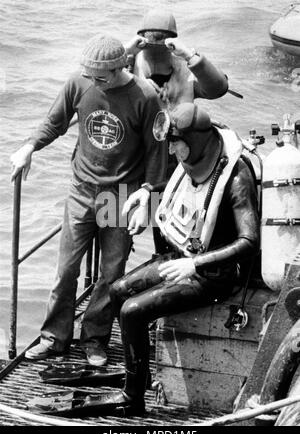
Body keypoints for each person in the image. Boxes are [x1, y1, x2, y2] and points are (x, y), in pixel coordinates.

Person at [86, 100, 260, 416]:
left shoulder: (236, 177)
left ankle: (132, 399)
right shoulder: (196, 157)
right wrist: (146, 192)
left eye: (175, 144)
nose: (170, 152)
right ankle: (137, 372)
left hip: (216, 275)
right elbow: (178, 185)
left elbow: (249, 241)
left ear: (193, 141)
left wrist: (195, 264)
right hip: (182, 258)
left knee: (132, 311)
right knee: (117, 290)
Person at [10, 34, 167, 366]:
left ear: (120, 67)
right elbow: (54, 122)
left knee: (111, 274)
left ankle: (94, 339)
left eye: (101, 78)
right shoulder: (78, 83)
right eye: (90, 76)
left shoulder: (146, 96)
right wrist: (29, 147)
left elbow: (157, 151)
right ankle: (54, 337)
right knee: (65, 271)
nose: (94, 82)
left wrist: (148, 192)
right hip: (81, 191)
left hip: (120, 197)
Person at [125, 9, 229, 253]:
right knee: (124, 220)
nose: (156, 46)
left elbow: (219, 88)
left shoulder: (185, 68)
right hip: (145, 163)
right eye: (150, 40)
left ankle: (177, 261)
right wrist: (127, 51)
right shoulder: (130, 65)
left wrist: (191, 55)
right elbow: (102, 80)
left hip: (182, 164)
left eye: (162, 40)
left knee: (177, 229)